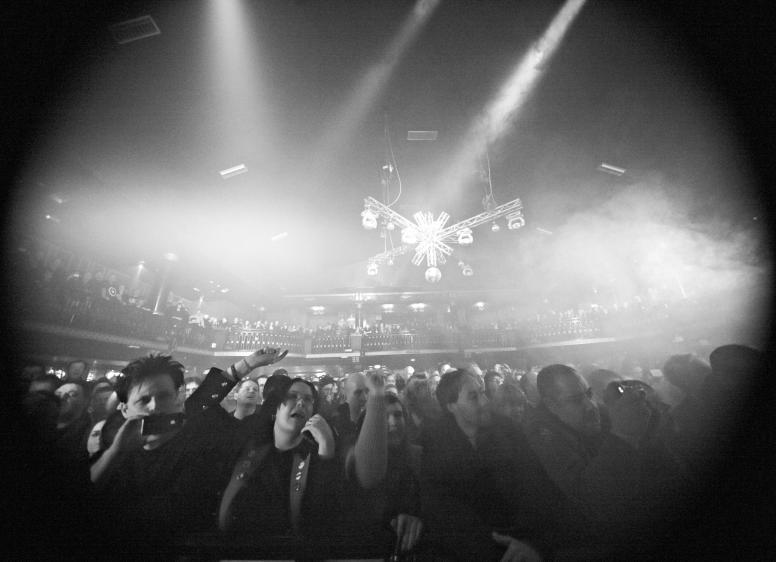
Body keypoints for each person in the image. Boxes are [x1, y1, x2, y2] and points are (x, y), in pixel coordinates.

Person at [90, 348, 287, 557]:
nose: (155, 407)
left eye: (164, 396)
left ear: (177, 399)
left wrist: (248, 363)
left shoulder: (200, 438)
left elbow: (204, 398)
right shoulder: (114, 455)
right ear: (124, 409)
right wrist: (115, 453)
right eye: (143, 400)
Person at [421, 370, 575, 561]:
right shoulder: (437, 446)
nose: (485, 401)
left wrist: (535, 545)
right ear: (451, 406)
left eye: (482, 392)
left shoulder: (508, 432)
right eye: (473, 397)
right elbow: (443, 513)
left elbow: (538, 489)